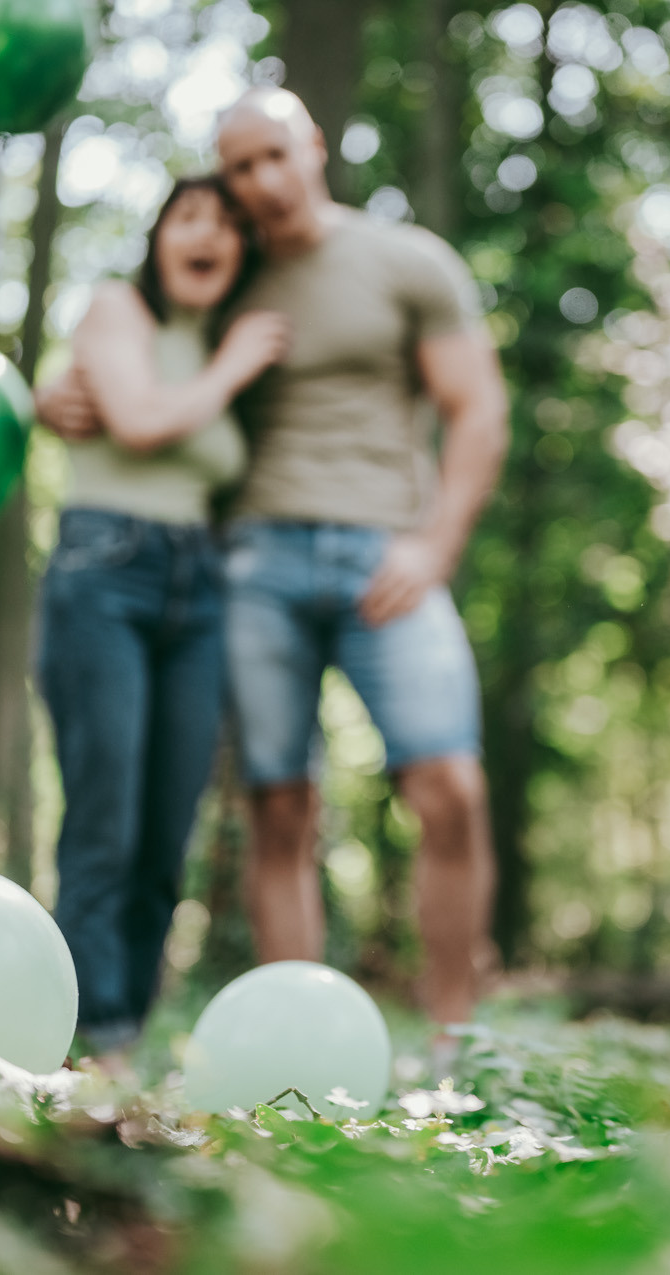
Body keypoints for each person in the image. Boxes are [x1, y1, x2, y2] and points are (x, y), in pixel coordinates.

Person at [214, 87, 510, 1031]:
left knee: (450, 789)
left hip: (387, 559)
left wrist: (436, 545)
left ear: (314, 143)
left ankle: (454, 1035)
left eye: (275, 153)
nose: (262, 179)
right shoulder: (218, 274)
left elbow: (479, 407)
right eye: (239, 167)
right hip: (256, 562)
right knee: (279, 806)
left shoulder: (405, 261)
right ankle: (295, 1053)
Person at [32, 177, 290, 1055]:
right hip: (105, 571)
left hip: (200, 583)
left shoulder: (220, 344)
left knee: (165, 831)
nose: (206, 235)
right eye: (188, 218)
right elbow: (138, 421)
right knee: (103, 821)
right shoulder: (118, 312)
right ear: (157, 239)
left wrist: (232, 364)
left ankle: (125, 1038)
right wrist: (233, 367)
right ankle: (81, 1034)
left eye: (225, 227)